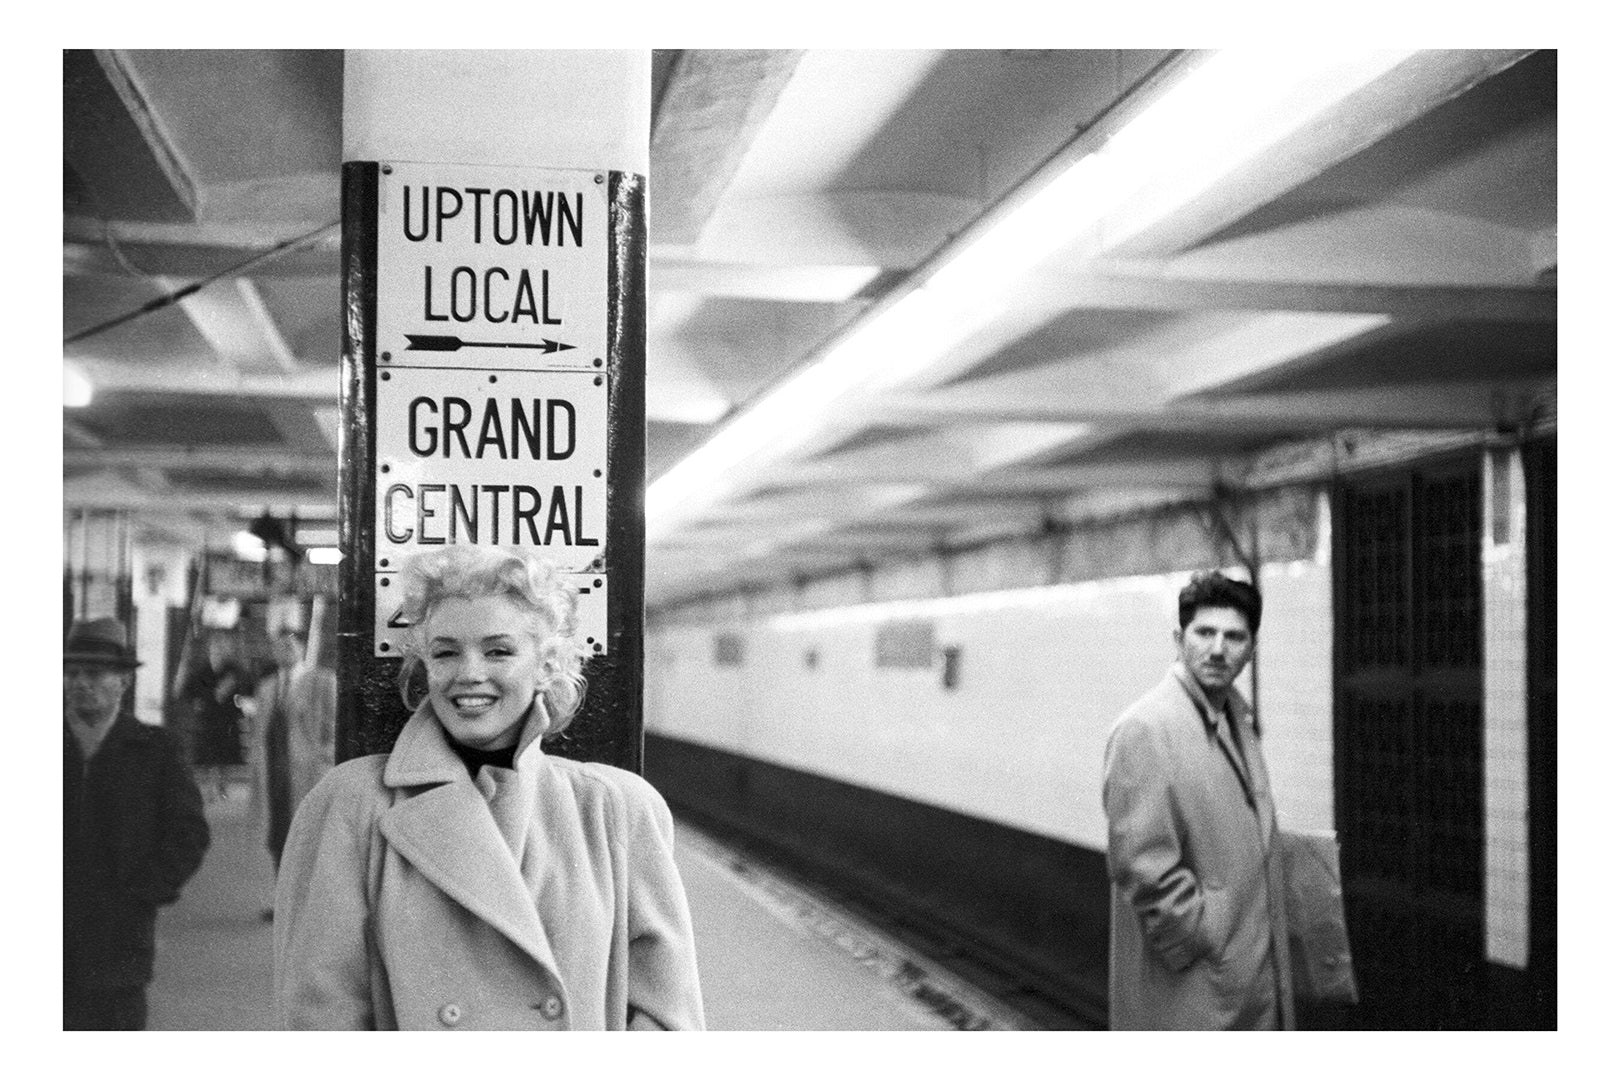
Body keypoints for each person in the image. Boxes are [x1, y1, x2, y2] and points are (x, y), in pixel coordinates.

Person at [273, 546, 705, 1030]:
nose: (469, 674)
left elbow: (667, 1019)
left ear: (546, 665)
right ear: (425, 666)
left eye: (498, 651)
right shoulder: (350, 805)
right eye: (445, 653)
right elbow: (320, 1015)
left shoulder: (617, 810)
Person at [1101, 571, 1293, 1030]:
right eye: (1204, 633)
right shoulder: (1146, 729)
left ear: (1252, 648)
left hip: (1246, 979)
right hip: (1197, 990)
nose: (1218, 649)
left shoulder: (1236, 719)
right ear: (1179, 640)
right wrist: (1205, 939)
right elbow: (1142, 866)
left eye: (1234, 637)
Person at [64, 617, 210, 1030]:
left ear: (124, 682)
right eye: (72, 673)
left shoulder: (154, 749)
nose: (80, 683)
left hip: (119, 944)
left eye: (95, 674)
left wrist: (143, 893)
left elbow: (189, 833)